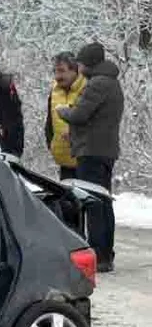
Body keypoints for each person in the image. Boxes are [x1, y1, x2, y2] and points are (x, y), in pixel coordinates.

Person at [56, 42, 124, 272]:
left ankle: (98, 255)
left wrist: (63, 111)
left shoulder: (96, 84)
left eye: (81, 62)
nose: (79, 66)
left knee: (93, 204)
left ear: (89, 63)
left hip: (91, 151)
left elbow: (79, 114)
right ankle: (106, 253)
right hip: (106, 151)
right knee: (104, 203)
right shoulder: (113, 83)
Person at [43, 52, 86, 180]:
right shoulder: (55, 92)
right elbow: (49, 122)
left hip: (88, 163)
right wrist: (52, 144)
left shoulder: (88, 89)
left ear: (75, 70)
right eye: (55, 72)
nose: (57, 76)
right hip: (64, 162)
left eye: (62, 71)